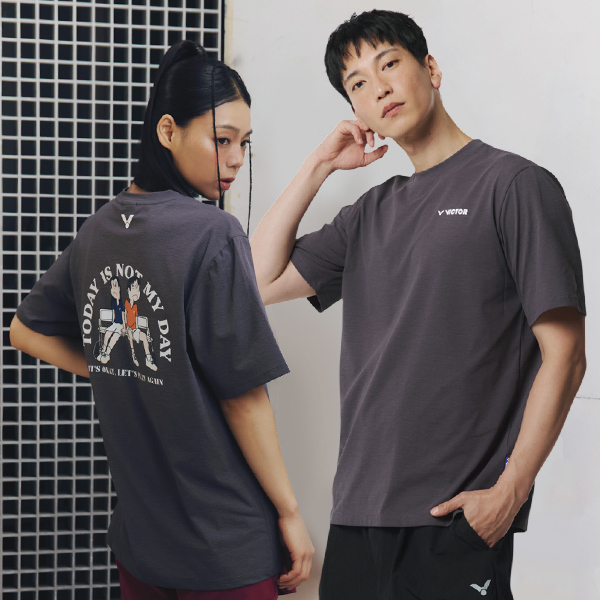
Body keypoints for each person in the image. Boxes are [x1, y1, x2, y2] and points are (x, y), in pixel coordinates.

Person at [250, 10, 586, 600]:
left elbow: (566, 356)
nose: (378, 87)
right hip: (357, 516)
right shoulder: (370, 214)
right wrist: (319, 165)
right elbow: (256, 280)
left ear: (430, 69)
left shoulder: (513, 185)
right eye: (358, 83)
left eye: (389, 64)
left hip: (453, 520)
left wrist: (510, 493)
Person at [10, 41, 313, 599]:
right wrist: (291, 512)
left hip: (141, 548)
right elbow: (243, 398)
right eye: (222, 140)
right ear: (168, 131)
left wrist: (119, 369)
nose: (237, 159)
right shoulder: (212, 234)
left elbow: (23, 331)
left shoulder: (99, 229)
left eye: (245, 143)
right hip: (225, 548)